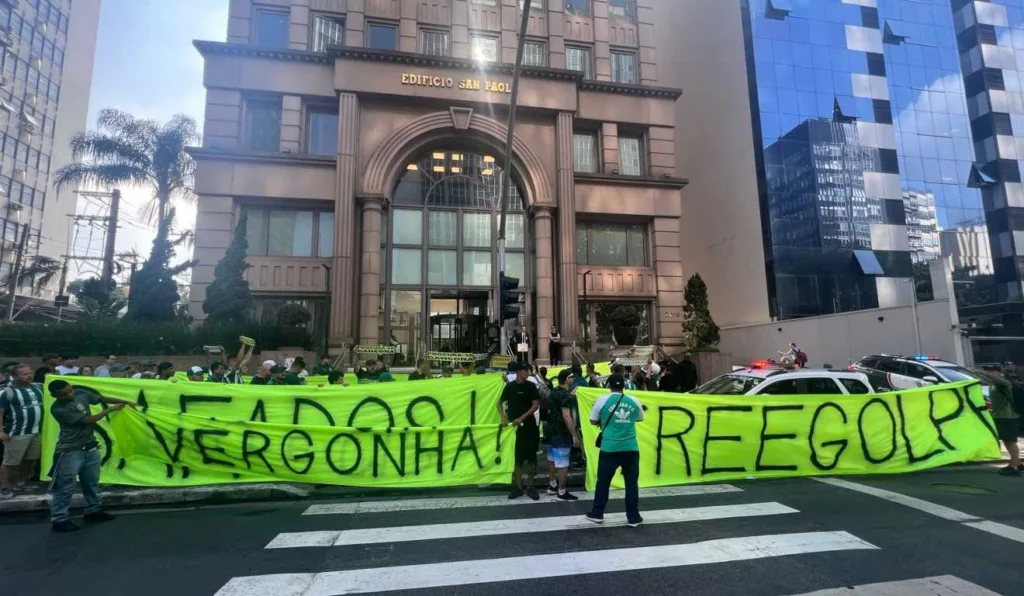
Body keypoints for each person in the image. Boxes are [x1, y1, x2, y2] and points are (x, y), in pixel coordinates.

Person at [48, 380, 137, 532]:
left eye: (70, 391)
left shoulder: (81, 394)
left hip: (90, 447)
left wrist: (126, 402)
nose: (69, 395)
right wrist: (110, 410)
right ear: (54, 396)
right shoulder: (58, 409)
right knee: (65, 486)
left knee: (91, 482)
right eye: (64, 394)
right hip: (70, 450)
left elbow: (101, 398)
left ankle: (93, 510)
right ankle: (59, 518)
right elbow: (88, 421)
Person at [586, 373, 644, 527]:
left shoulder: (602, 400)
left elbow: (592, 420)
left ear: (608, 385)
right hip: (630, 448)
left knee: (603, 482)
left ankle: (597, 514)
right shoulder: (634, 400)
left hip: (609, 448)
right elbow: (640, 418)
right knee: (631, 483)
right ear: (624, 386)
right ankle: (633, 517)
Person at [498, 362, 541, 500]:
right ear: (518, 372)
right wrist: (503, 417)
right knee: (516, 457)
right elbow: (499, 403)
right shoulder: (510, 387)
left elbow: (535, 405)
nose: (527, 372)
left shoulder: (531, 386)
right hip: (514, 428)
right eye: (524, 370)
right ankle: (518, 486)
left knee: (531, 457)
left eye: (528, 370)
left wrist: (521, 418)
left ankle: (530, 486)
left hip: (529, 426)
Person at [0, 364, 44, 500]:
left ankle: (22, 483)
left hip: (36, 431)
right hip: (17, 432)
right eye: (24, 374)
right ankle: (4, 488)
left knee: (30, 459)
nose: (29, 375)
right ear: (15, 376)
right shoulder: (7, 392)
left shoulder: (38, 388)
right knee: (9, 462)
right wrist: (0, 431)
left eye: (30, 373)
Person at [976, 366, 1020, 476]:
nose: (990, 374)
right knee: (1006, 440)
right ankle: (1016, 463)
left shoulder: (1005, 383)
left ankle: (1014, 466)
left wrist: (983, 372)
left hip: (1008, 416)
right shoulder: (993, 385)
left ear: (999, 373)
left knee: (1010, 441)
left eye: (993, 372)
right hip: (999, 416)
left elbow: (995, 379)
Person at [545, 369, 581, 501]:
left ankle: (552, 485)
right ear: (567, 379)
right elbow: (566, 416)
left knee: (551, 459)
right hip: (561, 432)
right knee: (563, 463)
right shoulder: (565, 396)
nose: (573, 380)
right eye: (572, 378)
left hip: (550, 430)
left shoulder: (554, 392)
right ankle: (561, 491)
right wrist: (574, 435)